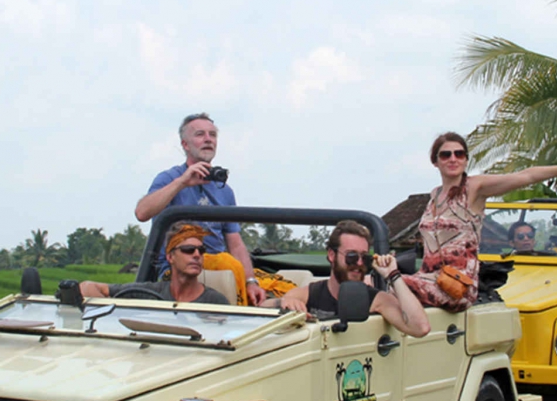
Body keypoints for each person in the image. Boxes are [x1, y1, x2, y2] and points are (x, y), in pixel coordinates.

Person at [403, 132, 557, 311]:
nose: (453, 159)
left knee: (394, 285)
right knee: (375, 282)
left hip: (457, 285)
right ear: (435, 161)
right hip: (427, 278)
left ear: (466, 160)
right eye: (446, 154)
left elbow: (526, 176)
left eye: (459, 154)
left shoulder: (474, 188)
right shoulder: (434, 195)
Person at [135, 112, 266, 306]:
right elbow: (142, 212)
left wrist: (251, 281)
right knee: (227, 265)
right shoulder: (169, 179)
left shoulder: (225, 191)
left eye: (212, 135)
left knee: (288, 284)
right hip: (180, 267)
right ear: (185, 145)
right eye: (200, 134)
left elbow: (235, 243)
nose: (208, 139)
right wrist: (182, 182)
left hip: (224, 267)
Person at [267, 220, 430, 336]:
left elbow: (420, 328)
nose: (359, 263)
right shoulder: (310, 293)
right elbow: (261, 308)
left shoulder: (376, 300)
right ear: (332, 255)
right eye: (351, 256)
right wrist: (283, 304)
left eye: (364, 257)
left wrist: (393, 276)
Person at [79, 223, 231, 305]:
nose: (197, 255)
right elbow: (87, 287)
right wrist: (111, 314)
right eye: (188, 250)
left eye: (201, 250)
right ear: (170, 257)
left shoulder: (215, 302)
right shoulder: (149, 293)